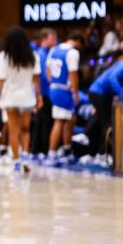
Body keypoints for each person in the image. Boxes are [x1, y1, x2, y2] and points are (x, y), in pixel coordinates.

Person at [0, 26, 42, 174]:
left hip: (10, 97)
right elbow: (36, 79)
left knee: (14, 129)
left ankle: (16, 160)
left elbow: (1, 79)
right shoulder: (33, 56)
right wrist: (39, 96)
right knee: (26, 129)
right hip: (27, 97)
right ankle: (25, 156)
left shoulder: (2, 57)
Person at [82, 47, 123, 155]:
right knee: (107, 123)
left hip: (96, 92)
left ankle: (90, 143)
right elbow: (112, 78)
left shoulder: (122, 64)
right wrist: (121, 93)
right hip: (100, 94)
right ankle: (103, 153)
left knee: (100, 119)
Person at [46, 31, 84, 163]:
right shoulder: (72, 52)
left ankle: (66, 149)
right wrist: (76, 93)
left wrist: (53, 82)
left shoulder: (53, 50)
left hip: (53, 87)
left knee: (70, 119)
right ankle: (52, 153)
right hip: (64, 89)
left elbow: (47, 70)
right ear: (78, 41)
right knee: (60, 121)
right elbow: (73, 74)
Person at [32, 28, 57, 155]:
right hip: (43, 93)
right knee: (44, 123)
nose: (55, 41)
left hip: (47, 93)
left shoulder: (50, 53)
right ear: (44, 39)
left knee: (43, 122)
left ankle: (38, 150)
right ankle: (42, 150)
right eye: (53, 38)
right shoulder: (41, 54)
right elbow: (43, 76)